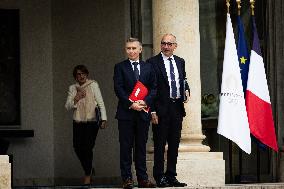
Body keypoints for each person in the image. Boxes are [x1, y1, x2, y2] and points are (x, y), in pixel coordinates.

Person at [146, 34, 190, 187]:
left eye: (169, 44)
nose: (166, 46)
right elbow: (149, 89)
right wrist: (151, 111)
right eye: (163, 43)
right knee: (159, 144)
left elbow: (183, 80)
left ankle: (171, 175)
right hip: (160, 110)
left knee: (174, 144)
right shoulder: (152, 63)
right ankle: (159, 176)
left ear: (175, 46)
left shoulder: (180, 62)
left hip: (176, 108)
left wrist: (187, 90)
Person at [113, 38, 157, 189]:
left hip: (143, 113)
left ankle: (143, 179)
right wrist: (131, 104)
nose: (131, 51)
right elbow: (118, 88)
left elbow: (154, 88)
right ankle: (127, 179)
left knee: (141, 147)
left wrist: (145, 102)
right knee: (126, 147)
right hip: (126, 113)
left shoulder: (148, 67)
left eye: (133, 48)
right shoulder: (120, 67)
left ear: (140, 50)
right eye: (128, 48)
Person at [65, 65, 107, 185]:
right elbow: (67, 106)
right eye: (78, 74)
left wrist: (104, 119)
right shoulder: (72, 88)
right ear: (75, 77)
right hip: (78, 121)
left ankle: (87, 175)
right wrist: (76, 98)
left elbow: (100, 102)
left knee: (87, 148)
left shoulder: (93, 85)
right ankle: (89, 169)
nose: (81, 76)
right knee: (77, 147)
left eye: (83, 73)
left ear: (86, 74)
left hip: (92, 121)